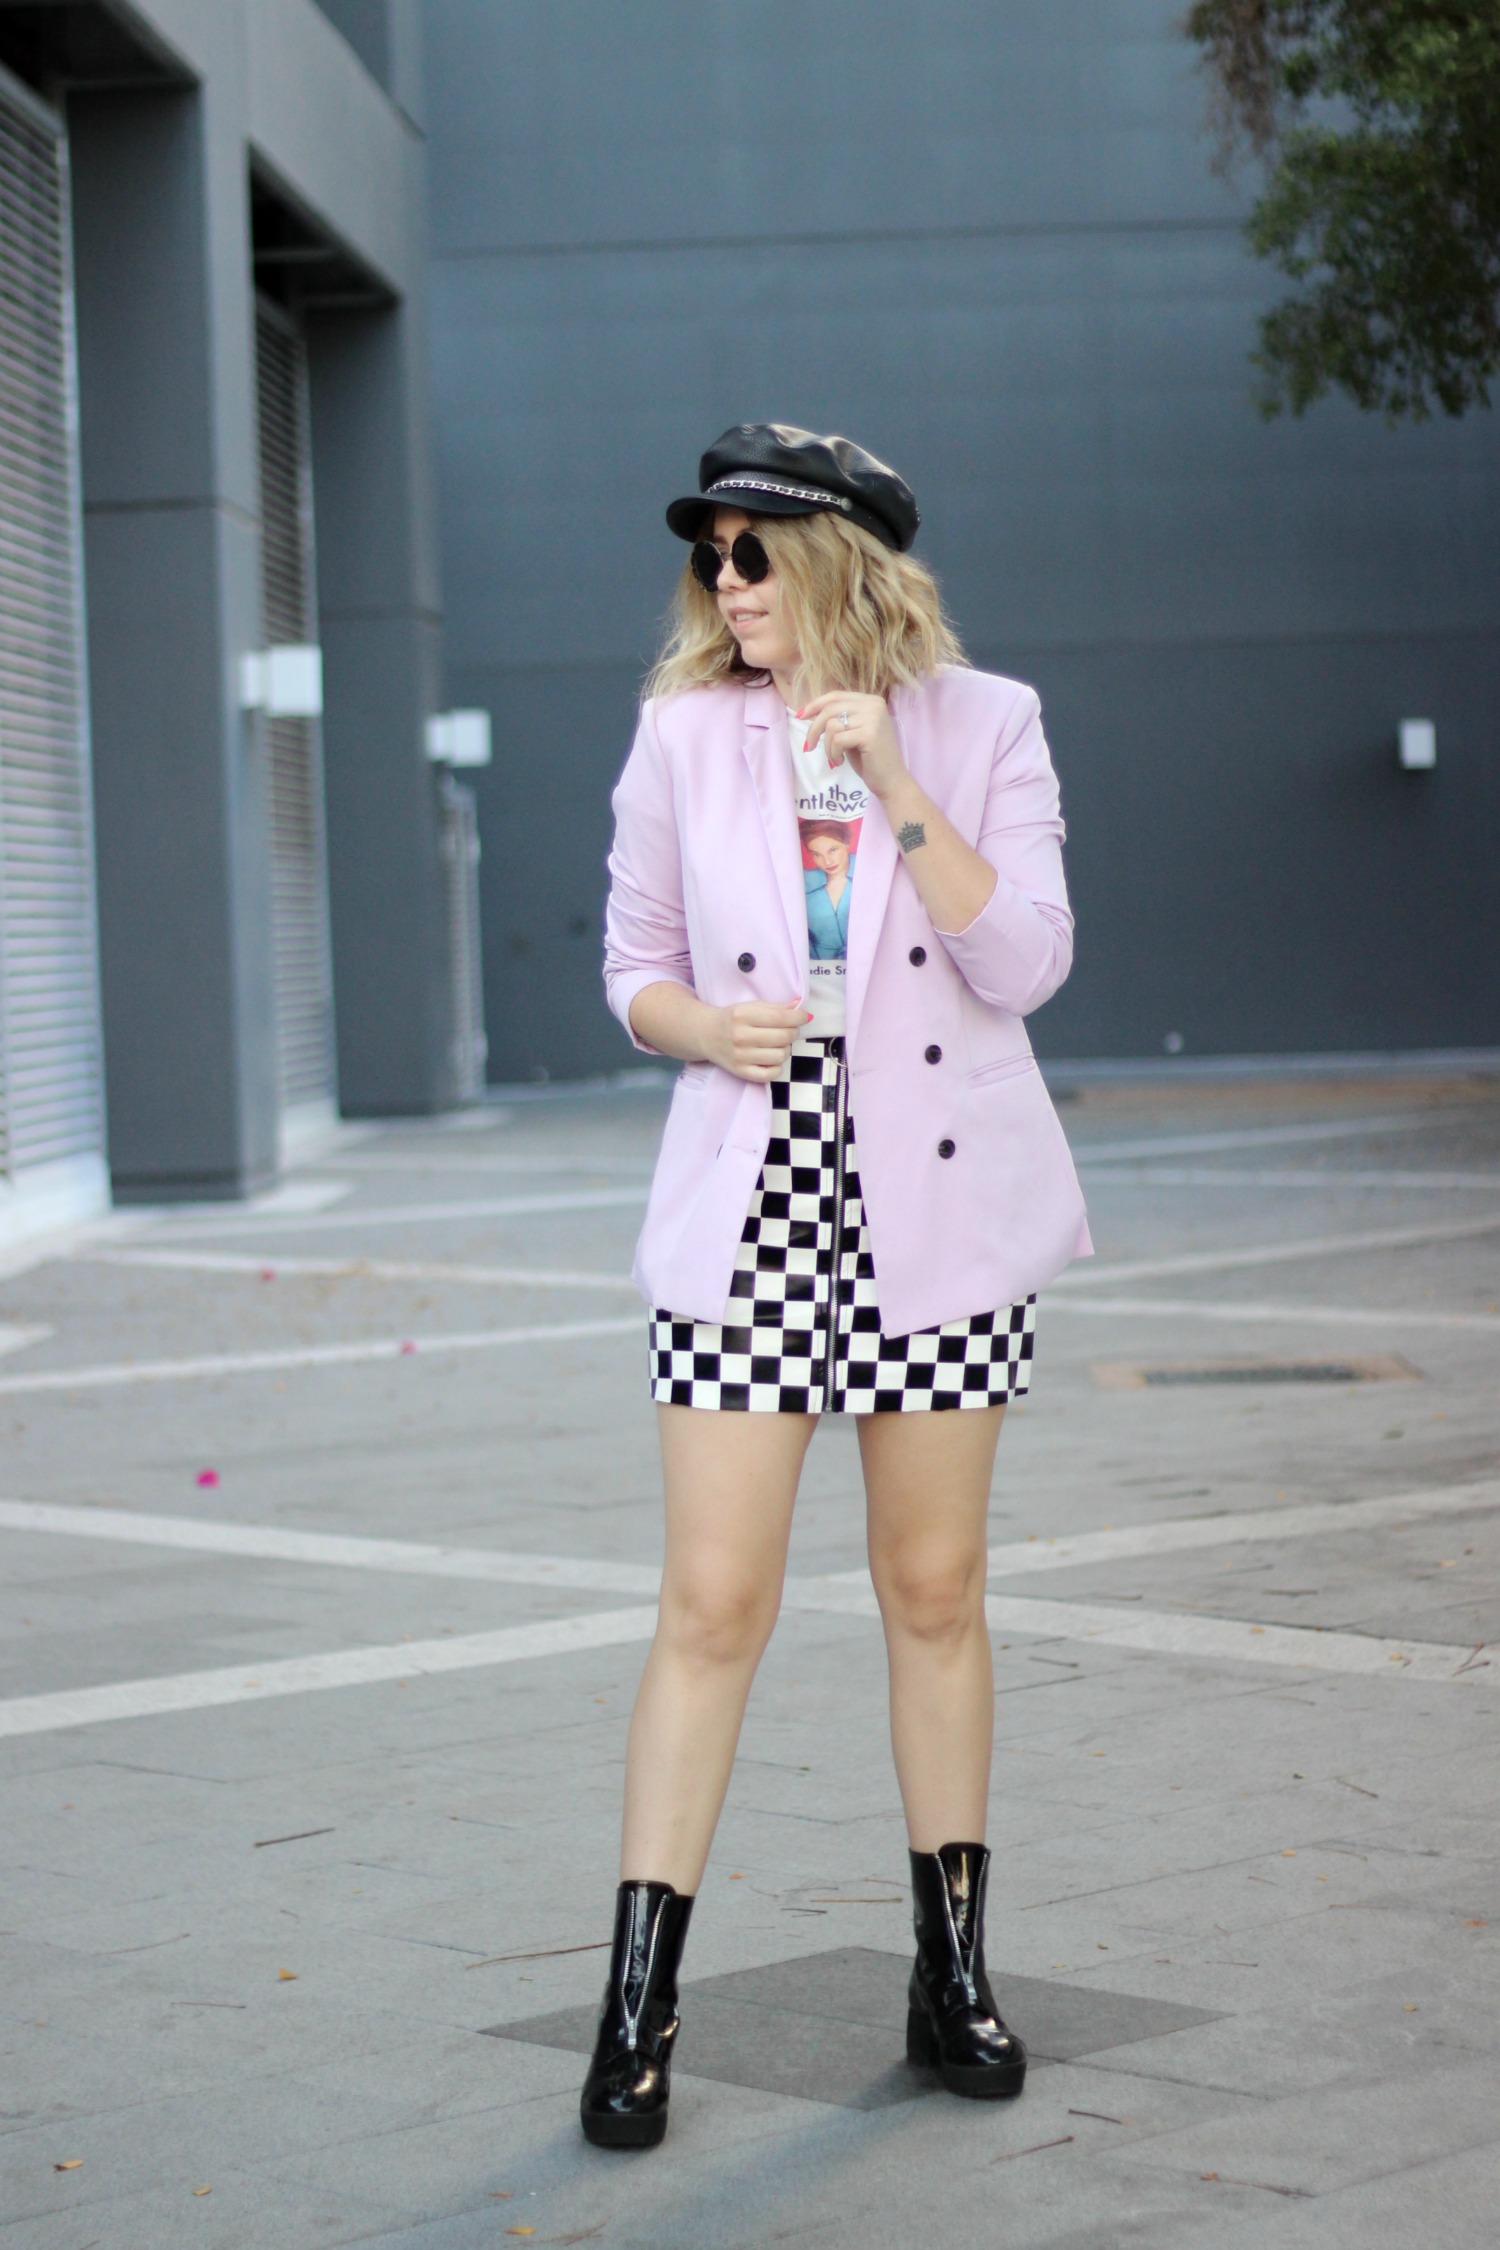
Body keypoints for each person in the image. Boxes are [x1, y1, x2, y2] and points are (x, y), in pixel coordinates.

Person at [583, 422, 1090, 2149]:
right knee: (712, 1600)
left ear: (836, 562)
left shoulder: (984, 722)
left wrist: (893, 780)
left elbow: (1026, 959)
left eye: (753, 552)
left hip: (933, 1208)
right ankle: (637, 2006)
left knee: (934, 1589)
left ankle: (952, 1973)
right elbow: (632, 965)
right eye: (708, 554)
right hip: (758, 1197)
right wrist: (703, 1029)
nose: (724, 583)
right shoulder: (679, 736)